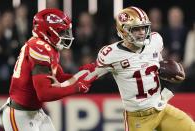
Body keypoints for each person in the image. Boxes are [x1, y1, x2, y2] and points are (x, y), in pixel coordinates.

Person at [51, 6, 195, 131]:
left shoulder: (155, 40)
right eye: (136, 29)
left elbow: (157, 65)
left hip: (161, 108)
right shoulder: (111, 54)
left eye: (144, 28)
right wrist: (63, 84)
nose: (141, 32)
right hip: (137, 118)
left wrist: (167, 72)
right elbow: (89, 73)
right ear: (123, 31)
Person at [0, 8, 96, 131]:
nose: (65, 35)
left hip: (35, 112)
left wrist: (87, 74)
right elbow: (44, 93)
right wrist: (76, 87)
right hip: (20, 114)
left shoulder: (47, 47)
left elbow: (59, 77)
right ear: (48, 32)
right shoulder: (39, 47)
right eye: (61, 32)